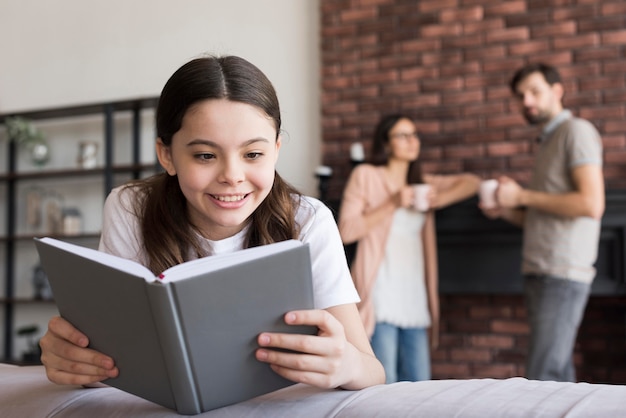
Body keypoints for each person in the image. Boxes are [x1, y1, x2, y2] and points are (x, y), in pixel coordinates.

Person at [39, 55, 385, 390]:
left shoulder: (309, 221)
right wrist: (77, 363)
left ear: (276, 150)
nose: (232, 176)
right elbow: (109, 353)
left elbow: (372, 371)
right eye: (205, 155)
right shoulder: (131, 207)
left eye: (253, 154)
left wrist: (347, 365)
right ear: (167, 155)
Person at [481, 63, 604, 382]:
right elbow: (543, 215)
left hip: (562, 272)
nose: (527, 101)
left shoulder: (575, 131)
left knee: (542, 377)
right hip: (541, 270)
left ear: (557, 90)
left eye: (535, 91)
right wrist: (506, 209)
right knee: (558, 376)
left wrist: (522, 197)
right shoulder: (548, 141)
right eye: (521, 96)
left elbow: (591, 204)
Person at [338, 113, 480, 383]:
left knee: (420, 384)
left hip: (414, 298)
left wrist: (439, 199)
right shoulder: (365, 175)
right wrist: (392, 202)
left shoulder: (422, 184)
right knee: (384, 384)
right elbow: (345, 231)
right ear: (386, 144)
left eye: (414, 135)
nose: (411, 141)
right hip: (380, 298)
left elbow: (472, 182)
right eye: (402, 135)